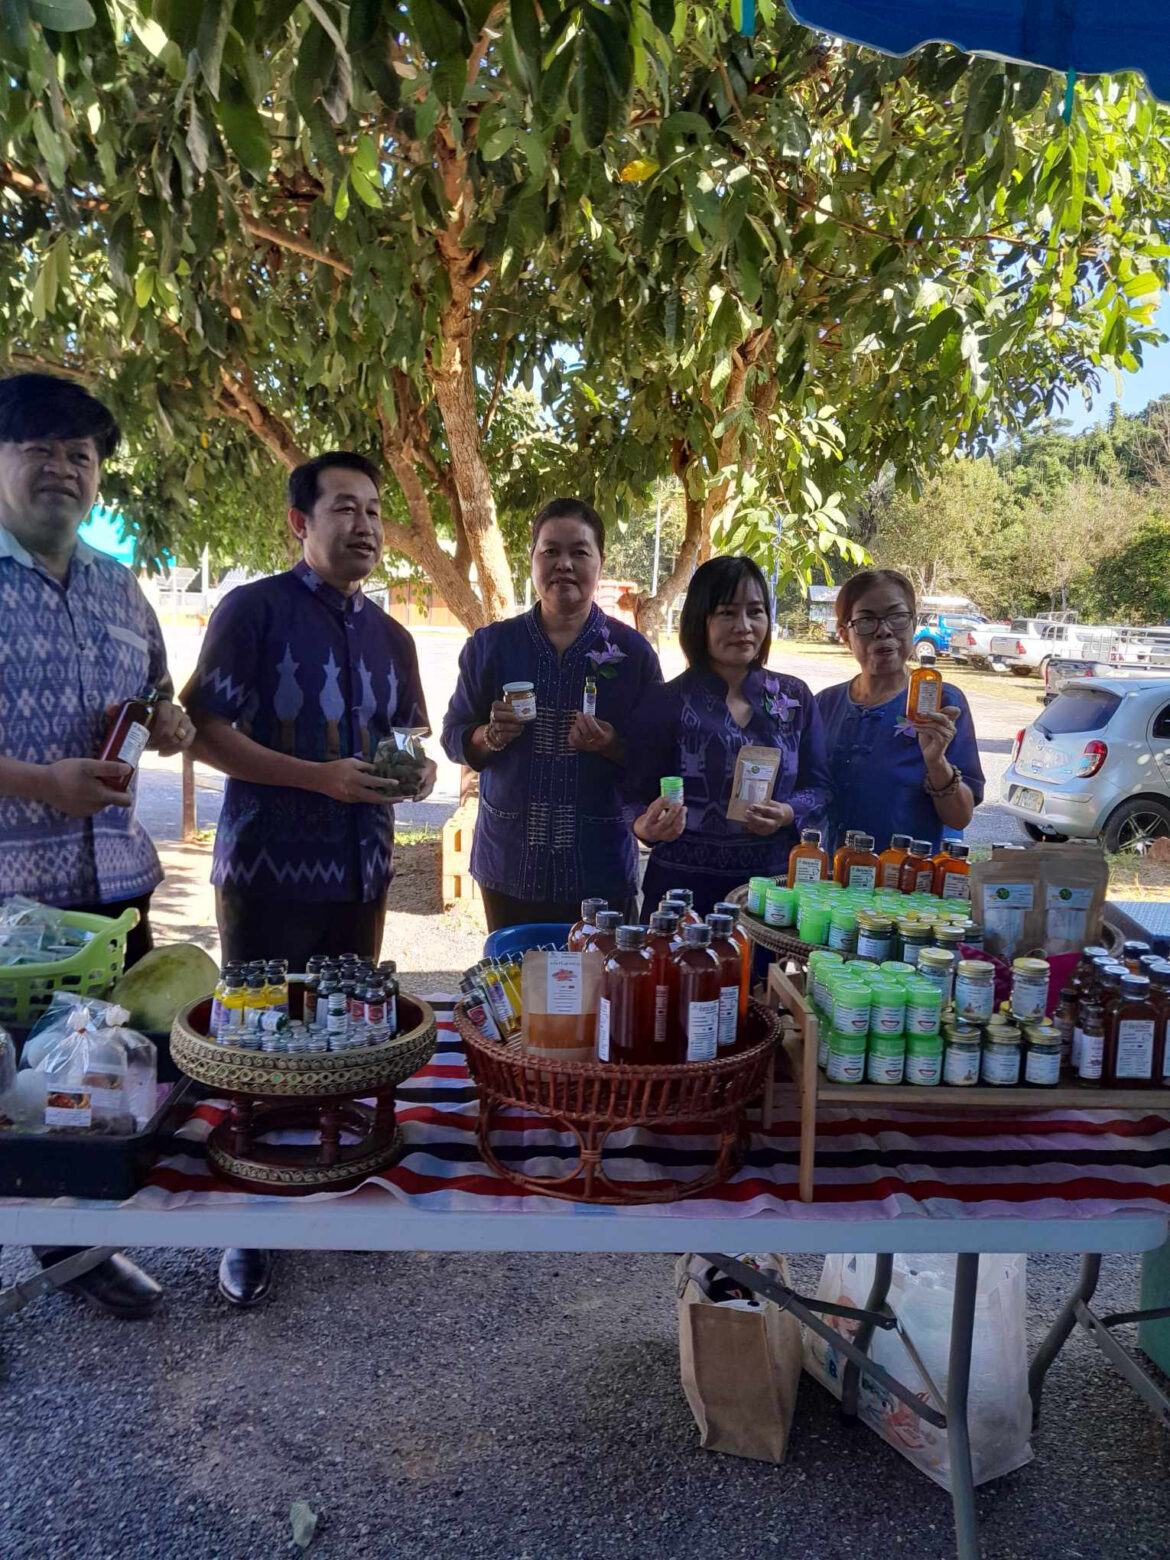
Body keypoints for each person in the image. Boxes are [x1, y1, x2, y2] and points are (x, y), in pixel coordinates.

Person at [184, 451, 435, 1308]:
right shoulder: (251, 610)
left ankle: (339, 1188)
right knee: (256, 1044)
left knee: (348, 1035)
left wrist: (419, 776)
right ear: (300, 522)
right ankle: (249, 1224)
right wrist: (317, 777)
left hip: (362, 870)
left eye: (372, 511)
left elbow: (409, 743)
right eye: (343, 508)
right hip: (267, 868)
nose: (363, 526)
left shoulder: (393, 636)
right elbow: (204, 731)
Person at [0, 372, 195, 1319]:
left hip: (111, 894)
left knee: (100, 1087)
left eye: (80, 455)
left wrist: (169, 725)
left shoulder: (121, 587)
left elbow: (159, 692)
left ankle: (75, 1252)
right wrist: (42, 784)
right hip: (8, 906)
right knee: (2, 1100)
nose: (62, 470)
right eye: (39, 448)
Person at [441, 497, 661, 931]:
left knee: (603, 991)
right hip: (509, 867)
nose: (564, 564)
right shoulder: (492, 647)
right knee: (516, 988)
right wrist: (489, 735)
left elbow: (657, 756)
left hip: (600, 871)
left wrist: (613, 744)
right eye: (550, 551)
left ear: (600, 562)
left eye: (579, 552)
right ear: (532, 560)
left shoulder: (633, 655)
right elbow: (453, 736)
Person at [626, 557, 831, 917]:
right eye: (726, 613)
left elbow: (820, 787)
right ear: (699, 620)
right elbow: (628, 791)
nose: (744, 626)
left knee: (767, 977)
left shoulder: (794, 696)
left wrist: (786, 812)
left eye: (755, 612)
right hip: (680, 897)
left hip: (771, 896)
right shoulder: (666, 702)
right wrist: (645, 825)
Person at [815, 568, 984, 852]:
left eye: (897, 616)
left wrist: (936, 763)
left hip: (908, 886)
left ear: (914, 624)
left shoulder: (944, 703)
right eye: (867, 619)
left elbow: (960, 817)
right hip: (832, 885)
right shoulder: (823, 705)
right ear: (844, 633)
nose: (884, 630)